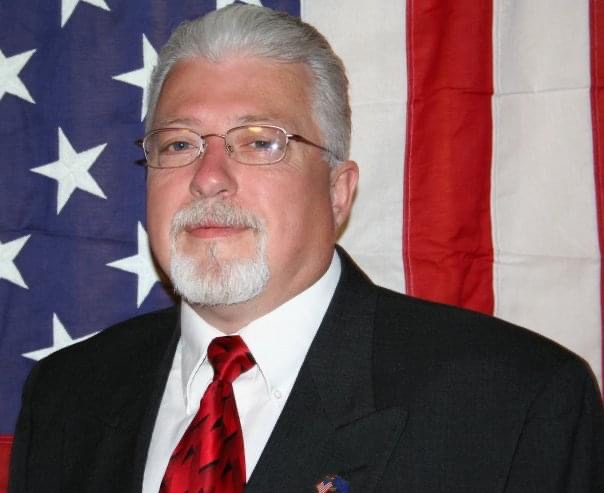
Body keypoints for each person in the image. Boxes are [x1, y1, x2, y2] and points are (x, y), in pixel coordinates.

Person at [9, 4, 604, 493]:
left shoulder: (516, 405)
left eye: (259, 141)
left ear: (338, 192)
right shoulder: (66, 395)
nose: (208, 177)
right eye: (179, 144)